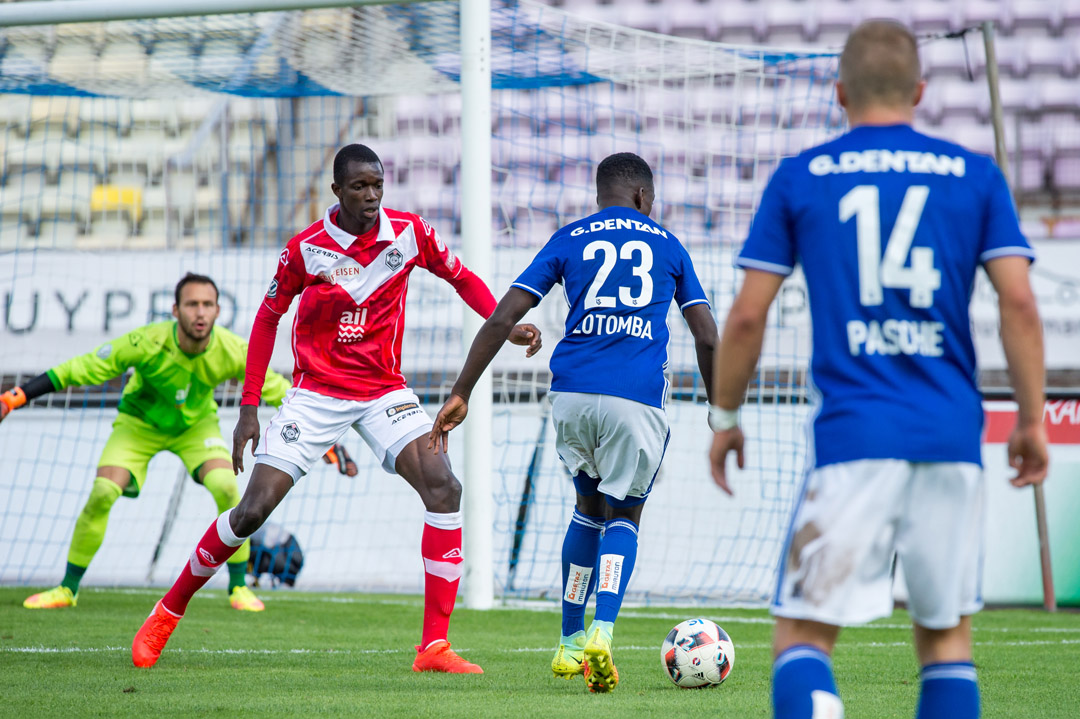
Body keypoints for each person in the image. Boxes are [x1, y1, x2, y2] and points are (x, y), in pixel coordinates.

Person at [707, 20, 1048, 719]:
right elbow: (1018, 301)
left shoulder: (803, 177)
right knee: (946, 636)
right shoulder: (976, 175)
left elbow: (745, 317)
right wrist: (1034, 419)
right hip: (951, 437)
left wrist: (726, 417)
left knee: (802, 635)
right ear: (920, 92)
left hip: (854, 437)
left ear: (839, 93)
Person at [131, 143, 542, 673]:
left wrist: (504, 324)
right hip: (316, 394)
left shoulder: (410, 232)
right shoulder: (306, 249)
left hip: (384, 392)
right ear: (336, 191)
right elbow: (266, 319)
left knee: (444, 486)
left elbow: (461, 276)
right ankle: (167, 611)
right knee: (252, 511)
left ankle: (434, 647)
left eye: (377, 185)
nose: (371, 196)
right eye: (359, 187)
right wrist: (250, 407)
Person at [429, 152, 718, 693]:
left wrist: (461, 391)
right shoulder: (668, 244)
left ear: (599, 195)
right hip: (635, 399)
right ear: (642, 197)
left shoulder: (571, 237)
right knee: (625, 515)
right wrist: (722, 408)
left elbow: (501, 317)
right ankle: (601, 633)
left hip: (570, 397)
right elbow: (705, 335)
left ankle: (566, 642)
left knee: (587, 508)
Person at [0, 273, 355, 614]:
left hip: (196, 427)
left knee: (228, 489)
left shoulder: (230, 348)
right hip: (138, 425)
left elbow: (278, 390)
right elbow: (82, 368)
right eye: (191, 304)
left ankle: (238, 587)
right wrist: (16, 397)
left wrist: (324, 443)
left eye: (207, 304)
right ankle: (67, 589)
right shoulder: (147, 341)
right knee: (104, 492)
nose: (199, 312)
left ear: (218, 310)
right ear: (175, 310)